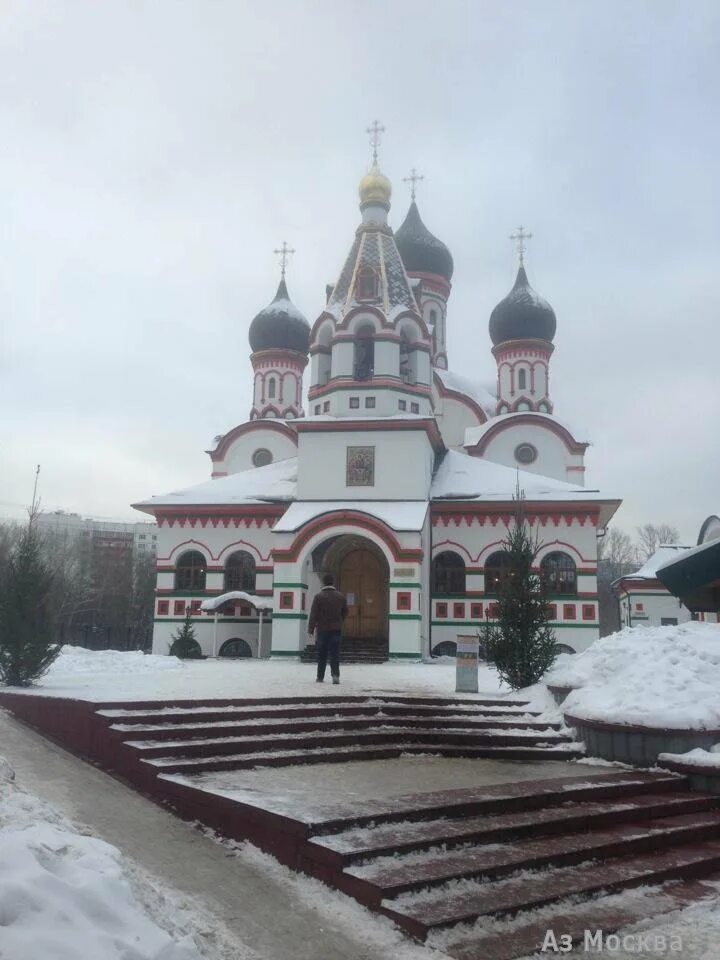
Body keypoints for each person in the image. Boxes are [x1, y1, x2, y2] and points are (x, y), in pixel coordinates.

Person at [307, 573, 347, 684]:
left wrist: (311, 629)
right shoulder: (340, 596)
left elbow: (313, 614)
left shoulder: (318, 597)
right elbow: (345, 612)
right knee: (335, 653)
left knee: (322, 654)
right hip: (336, 630)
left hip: (322, 630)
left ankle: (320, 677)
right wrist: (339, 621)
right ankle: (335, 676)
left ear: (324, 583)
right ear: (332, 582)